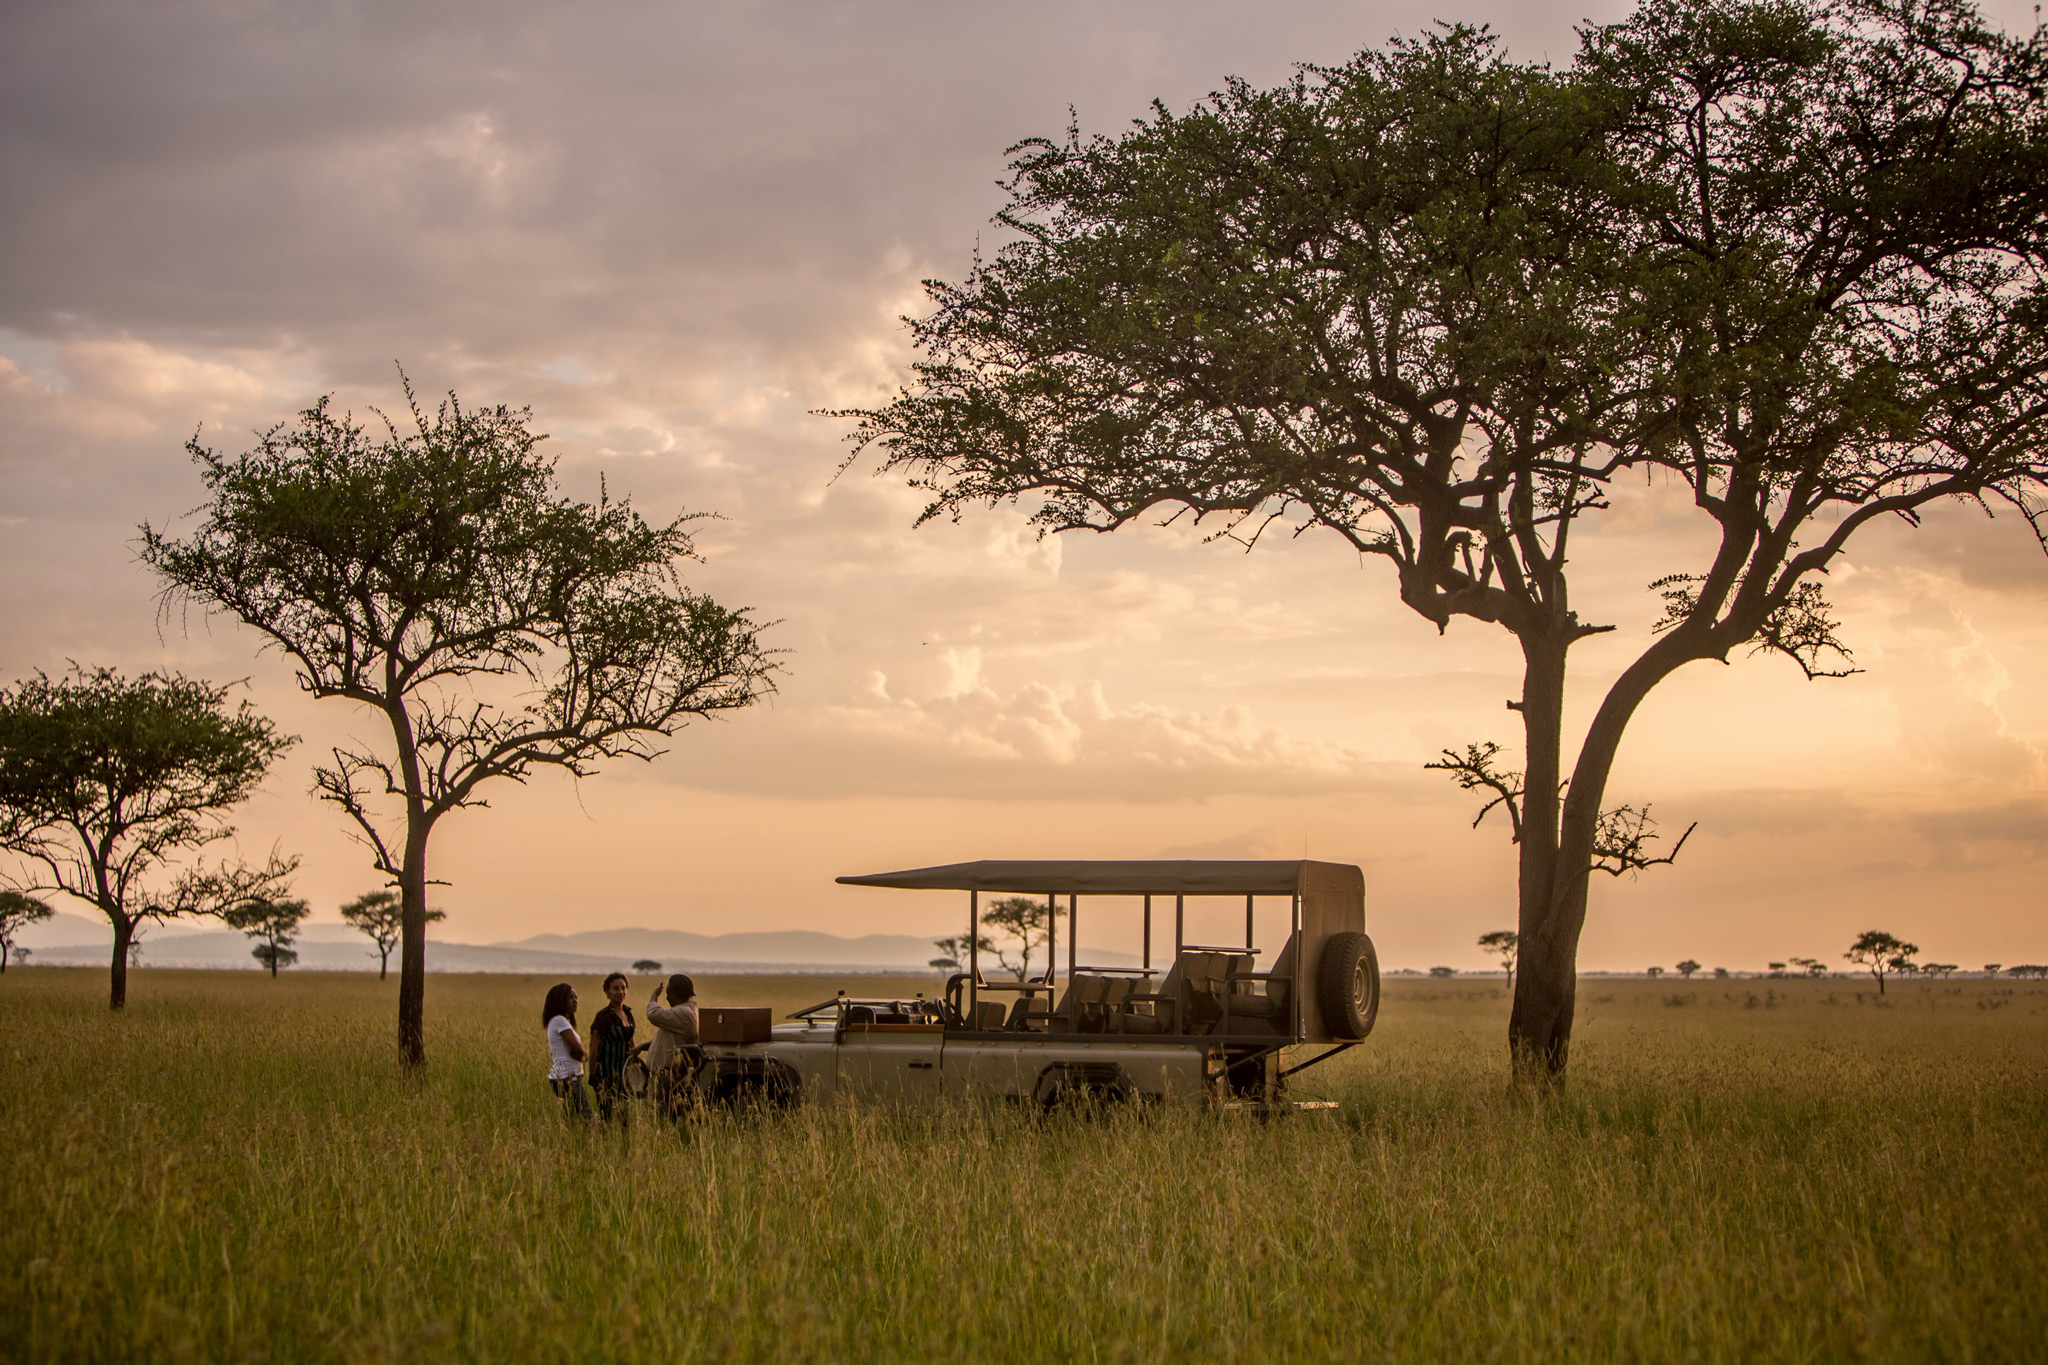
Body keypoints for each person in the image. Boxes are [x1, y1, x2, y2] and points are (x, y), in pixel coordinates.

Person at [588, 970, 647, 1121]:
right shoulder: (603, 1017)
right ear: (607, 992)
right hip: (606, 1075)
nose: (621, 992)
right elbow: (593, 1047)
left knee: (625, 1117)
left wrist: (635, 1062)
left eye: (623, 988)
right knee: (608, 1117)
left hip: (625, 1075)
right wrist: (593, 1075)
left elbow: (630, 1040)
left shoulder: (628, 1014)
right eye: (616, 988)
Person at [646, 973, 700, 1117]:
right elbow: (670, 1040)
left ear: (678, 994)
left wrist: (653, 997)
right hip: (663, 1077)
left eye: (669, 993)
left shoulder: (684, 1013)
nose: (667, 997)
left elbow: (653, 1014)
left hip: (668, 1078)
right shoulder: (683, 1013)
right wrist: (643, 1047)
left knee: (662, 1119)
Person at [541, 981, 592, 1119]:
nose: (575, 1001)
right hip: (569, 1077)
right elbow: (578, 1048)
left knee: (574, 1120)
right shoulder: (559, 1020)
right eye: (570, 998)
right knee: (588, 1119)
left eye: (576, 997)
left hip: (565, 1076)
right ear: (560, 1001)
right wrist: (584, 1055)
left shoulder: (559, 1021)